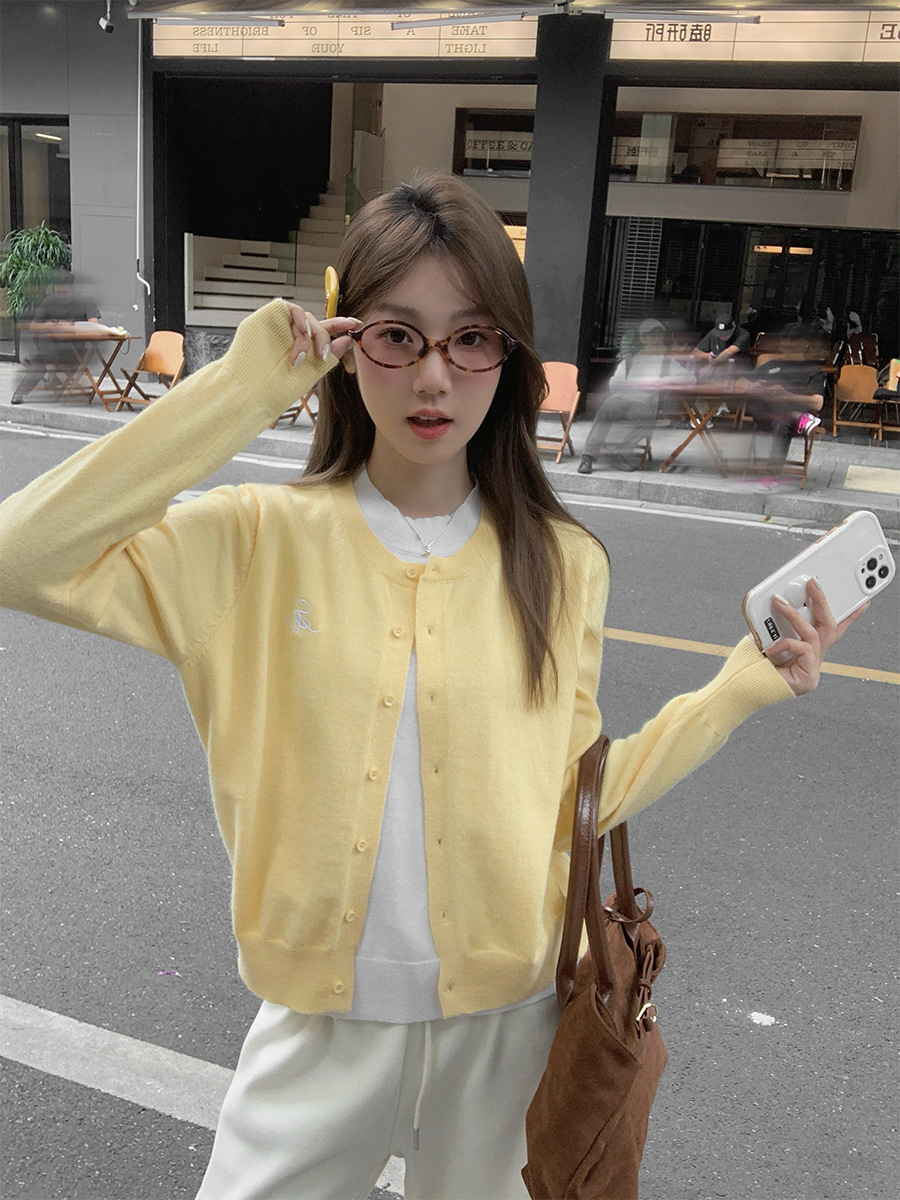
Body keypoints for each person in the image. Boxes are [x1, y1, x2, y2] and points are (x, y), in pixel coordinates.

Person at [0, 175, 862, 1200]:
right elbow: (22, 554)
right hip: (319, 1033)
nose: (434, 376)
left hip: (507, 1033)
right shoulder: (253, 540)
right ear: (346, 340)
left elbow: (576, 798)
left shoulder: (562, 563)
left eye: (471, 339)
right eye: (398, 336)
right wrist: (245, 388)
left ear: (508, 354)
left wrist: (738, 689)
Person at [577, 318, 688, 473]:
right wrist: (638, 384)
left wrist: (662, 381)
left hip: (644, 404)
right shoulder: (630, 360)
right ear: (643, 339)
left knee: (648, 418)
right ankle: (588, 456)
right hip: (620, 399)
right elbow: (614, 384)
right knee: (607, 408)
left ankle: (619, 454)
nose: (654, 338)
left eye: (658, 334)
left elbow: (689, 378)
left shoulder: (667, 363)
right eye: (650, 335)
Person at [737, 323, 826, 490]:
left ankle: (771, 477)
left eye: (790, 347)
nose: (785, 351)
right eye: (783, 346)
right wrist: (756, 386)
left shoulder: (813, 371)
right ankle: (798, 415)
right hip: (764, 416)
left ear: (804, 344)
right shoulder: (773, 365)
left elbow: (818, 403)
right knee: (755, 396)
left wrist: (787, 395)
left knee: (781, 421)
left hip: (789, 424)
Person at [10, 271, 101, 405]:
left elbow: (94, 325)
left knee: (42, 355)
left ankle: (24, 390)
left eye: (64, 293)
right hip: (51, 347)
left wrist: (71, 327)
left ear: (72, 288)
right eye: (58, 292)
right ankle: (50, 374)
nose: (61, 296)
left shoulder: (84, 300)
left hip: (72, 348)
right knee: (44, 339)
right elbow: (33, 327)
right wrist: (52, 325)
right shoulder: (49, 301)